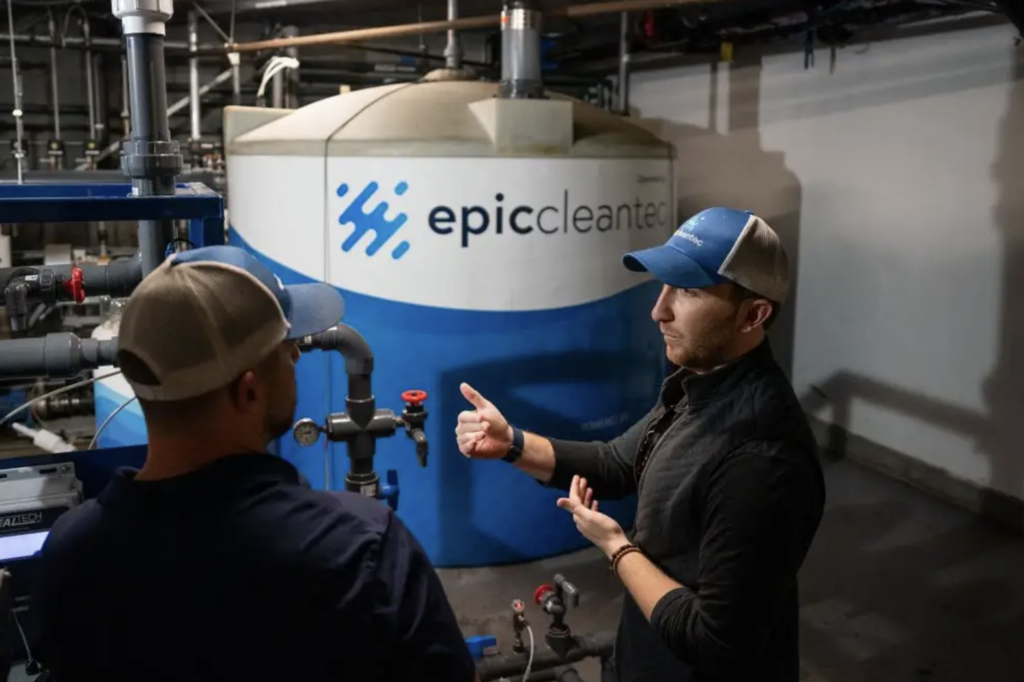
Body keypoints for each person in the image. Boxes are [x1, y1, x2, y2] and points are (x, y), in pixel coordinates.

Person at [30, 245, 478, 682]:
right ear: (247, 391)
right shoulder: (363, 548)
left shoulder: (72, 552)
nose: (297, 354)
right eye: (284, 346)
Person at [456, 208, 826, 682]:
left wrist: (617, 548)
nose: (659, 310)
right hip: (647, 655)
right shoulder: (699, 383)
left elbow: (716, 642)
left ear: (753, 315)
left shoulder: (763, 457)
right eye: (664, 285)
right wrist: (511, 444)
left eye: (688, 291)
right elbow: (616, 463)